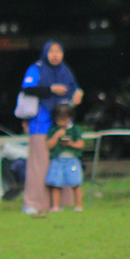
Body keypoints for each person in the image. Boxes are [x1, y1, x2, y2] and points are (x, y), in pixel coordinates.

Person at [19, 40, 83, 215]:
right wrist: (50, 89)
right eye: (52, 51)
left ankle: (60, 203)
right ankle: (33, 203)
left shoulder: (65, 70)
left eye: (59, 51)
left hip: (61, 124)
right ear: (45, 53)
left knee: (61, 162)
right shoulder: (37, 68)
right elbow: (28, 88)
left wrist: (78, 94)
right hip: (41, 124)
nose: (55, 55)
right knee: (39, 164)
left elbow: (74, 88)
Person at [46, 104, 84, 212]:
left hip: (72, 160)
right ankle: (56, 206)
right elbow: (48, 146)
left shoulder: (75, 129)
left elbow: (81, 144)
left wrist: (70, 143)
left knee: (75, 183)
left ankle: (79, 206)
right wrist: (57, 135)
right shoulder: (53, 129)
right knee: (56, 183)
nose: (61, 122)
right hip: (57, 160)